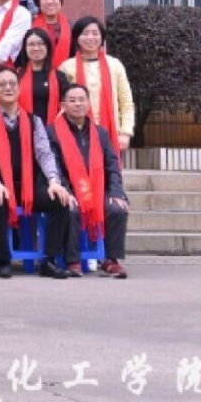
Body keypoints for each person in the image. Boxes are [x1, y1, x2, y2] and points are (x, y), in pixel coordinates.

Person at [0, 68, 74, 280]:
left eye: (12, 84)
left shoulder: (33, 121)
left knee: (59, 199)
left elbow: (44, 154)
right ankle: (3, 260)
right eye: (2, 84)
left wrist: (54, 181)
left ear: (19, 88)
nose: (8, 88)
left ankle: (49, 260)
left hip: (28, 184)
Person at [50, 84, 130, 279]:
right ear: (63, 105)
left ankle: (111, 260)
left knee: (117, 208)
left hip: (97, 188)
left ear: (88, 104)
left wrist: (116, 192)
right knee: (70, 207)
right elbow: (54, 167)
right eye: (72, 100)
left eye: (82, 100)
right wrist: (66, 190)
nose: (77, 104)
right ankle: (73, 261)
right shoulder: (53, 132)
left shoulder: (100, 133)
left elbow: (113, 165)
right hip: (69, 189)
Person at [57, 17, 135, 153]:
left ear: (102, 37)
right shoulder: (66, 67)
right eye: (85, 33)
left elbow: (126, 102)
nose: (90, 38)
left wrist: (125, 133)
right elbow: (61, 104)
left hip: (111, 133)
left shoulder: (114, 65)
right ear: (77, 38)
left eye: (95, 33)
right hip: (76, 133)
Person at [16, 27, 68, 123]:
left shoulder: (59, 77)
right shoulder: (16, 76)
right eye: (31, 44)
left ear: (48, 47)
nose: (36, 48)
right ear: (24, 48)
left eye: (40, 44)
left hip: (53, 129)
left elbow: (66, 105)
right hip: (23, 128)